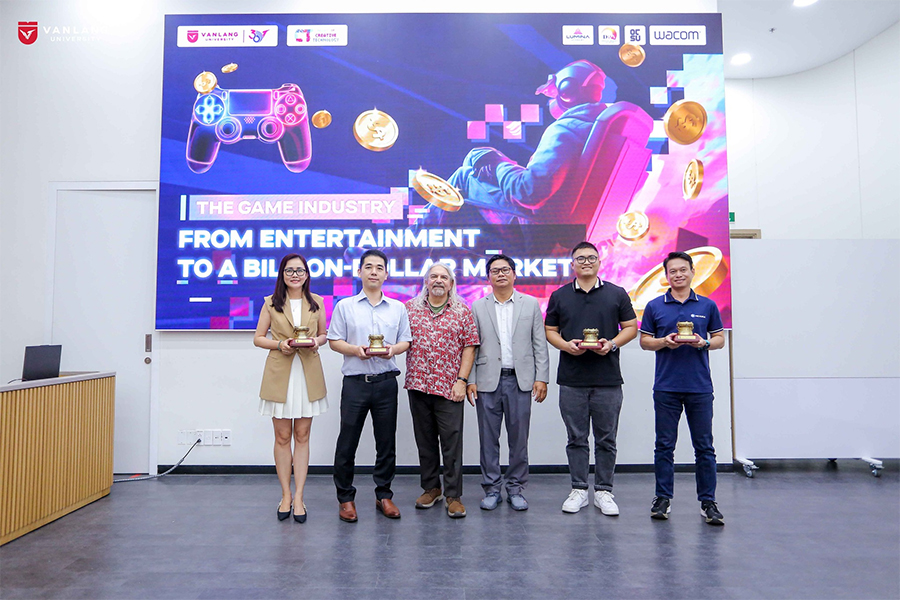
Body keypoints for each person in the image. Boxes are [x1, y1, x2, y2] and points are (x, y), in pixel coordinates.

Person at [545, 241, 637, 515]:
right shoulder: (560, 295)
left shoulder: (616, 293)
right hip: (571, 379)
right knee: (576, 438)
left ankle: (604, 491)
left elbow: (631, 327)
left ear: (599, 261)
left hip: (608, 378)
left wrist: (613, 344)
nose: (586, 262)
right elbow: (550, 330)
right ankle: (579, 489)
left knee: (606, 439)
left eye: (591, 258)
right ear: (572, 264)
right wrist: (566, 346)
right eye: (581, 258)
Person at [639, 251, 726, 526]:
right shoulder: (654, 305)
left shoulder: (707, 305)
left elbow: (719, 339)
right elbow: (644, 341)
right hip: (666, 386)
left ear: (692, 272)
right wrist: (664, 342)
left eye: (682, 270)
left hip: (699, 387)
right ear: (666, 276)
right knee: (664, 446)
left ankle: (708, 501)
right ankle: (662, 498)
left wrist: (703, 343)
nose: (678, 274)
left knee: (705, 447)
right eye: (672, 271)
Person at [327, 249, 411, 522]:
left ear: (386, 274)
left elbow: (406, 341)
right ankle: (345, 498)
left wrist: (392, 350)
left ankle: (384, 495)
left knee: (386, 443)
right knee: (347, 442)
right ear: (359, 272)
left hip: (386, 383)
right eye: (368, 267)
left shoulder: (398, 308)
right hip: (356, 384)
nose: (374, 272)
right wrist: (355, 350)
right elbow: (334, 341)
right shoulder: (345, 306)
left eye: (379, 268)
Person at [466, 255, 549, 511]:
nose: (500, 274)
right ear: (488, 277)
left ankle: (515, 488)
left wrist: (541, 377)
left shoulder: (530, 304)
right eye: (495, 271)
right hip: (487, 381)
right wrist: (470, 380)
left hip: (520, 381)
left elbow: (539, 343)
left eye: (505, 270)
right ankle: (492, 488)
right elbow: (472, 346)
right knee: (488, 439)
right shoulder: (477, 306)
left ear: (514, 274)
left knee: (519, 439)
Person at [253, 253, 328, 524]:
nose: (295, 275)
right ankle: (285, 495)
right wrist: (279, 344)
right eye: (289, 270)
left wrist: (317, 341)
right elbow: (258, 338)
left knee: (303, 435)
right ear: (282, 275)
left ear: (307, 275)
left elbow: (324, 334)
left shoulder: (317, 302)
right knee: (283, 437)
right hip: (280, 373)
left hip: (308, 373)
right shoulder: (270, 303)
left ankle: (299, 497)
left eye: (300, 270)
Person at [405, 263, 480, 518]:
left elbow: (470, 346)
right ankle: (431, 489)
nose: (438, 280)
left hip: (450, 388)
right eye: (434, 276)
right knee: (425, 441)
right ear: (426, 282)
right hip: (418, 385)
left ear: (451, 284)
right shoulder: (409, 309)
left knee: (451, 443)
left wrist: (462, 380)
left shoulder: (462, 311)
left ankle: (453, 496)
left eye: (444, 277)